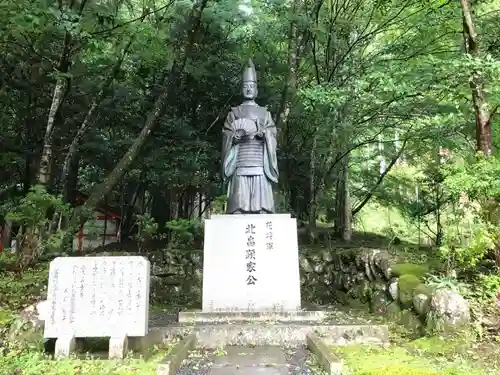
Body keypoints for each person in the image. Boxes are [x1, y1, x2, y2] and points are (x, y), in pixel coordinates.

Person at [221, 59, 279, 214]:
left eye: (251, 86)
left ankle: (262, 208)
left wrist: (265, 134)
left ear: (257, 90)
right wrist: (233, 138)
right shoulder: (234, 113)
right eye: (245, 86)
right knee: (240, 186)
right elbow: (226, 133)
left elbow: (273, 132)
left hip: (258, 157)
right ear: (241, 89)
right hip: (241, 157)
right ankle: (238, 208)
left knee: (260, 182)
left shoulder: (264, 113)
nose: (248, 89)